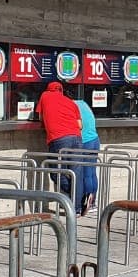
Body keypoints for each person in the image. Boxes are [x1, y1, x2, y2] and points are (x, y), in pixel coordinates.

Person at [36, 81, 83, 198]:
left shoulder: (45, 95)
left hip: (59, 138)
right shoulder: (71, 103)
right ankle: (76, 206)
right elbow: (80, 125)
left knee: (56, 172)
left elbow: (40, 117)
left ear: (48, 89)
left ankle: (72, 192)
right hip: (76, 137)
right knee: (75, 173)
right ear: (61, 91)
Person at [73, 88, 100, 216]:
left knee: (86, 174)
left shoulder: (71, 106)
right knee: (92, 172)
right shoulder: (83, 103)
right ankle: (93, 202)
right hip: (95, 139)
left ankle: (87, 200)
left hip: (86, 141)